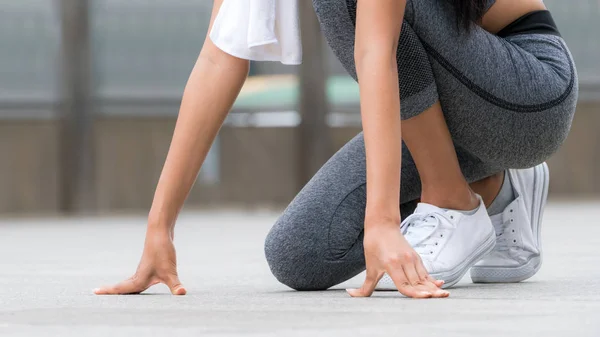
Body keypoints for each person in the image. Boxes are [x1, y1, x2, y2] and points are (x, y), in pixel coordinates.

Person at [94, 0, 577, 299]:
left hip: (527, 96)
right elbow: (218, 56)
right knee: (298, 255)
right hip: (451, 113)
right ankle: (496, 185)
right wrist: (160, 229)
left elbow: (376, 49)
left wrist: (383, 221)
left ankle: (451, 195)